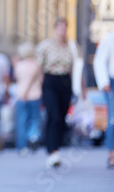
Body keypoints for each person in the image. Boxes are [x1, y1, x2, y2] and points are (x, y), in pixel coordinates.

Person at [36, 18, 78, 168]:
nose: (62, 31)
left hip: (65, 82)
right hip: (50, 81)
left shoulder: (71, 46)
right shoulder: (45, 46)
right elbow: (39, 68)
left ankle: (55, 148)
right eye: (60, 28)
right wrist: (40, 87)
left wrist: (80, 88)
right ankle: (52, 151)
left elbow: (76, 68)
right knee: (53, 116)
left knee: (61, 117)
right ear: (55, 29)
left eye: (65, 28)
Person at [93, 10, 114, 169]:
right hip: (113, 81)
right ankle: (111, 154)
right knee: (112, 117)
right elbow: (99, 61)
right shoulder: (110, 39)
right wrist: (104, 81)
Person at [14, 41, 43, 156]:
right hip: (35, 95)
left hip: (21, 96)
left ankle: (22, 146)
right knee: (35, 120)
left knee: (21, 122)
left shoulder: (19, 65)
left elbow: (17, 79)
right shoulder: (37, 65)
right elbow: (41, 80)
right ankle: (33, 136)